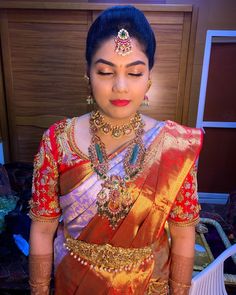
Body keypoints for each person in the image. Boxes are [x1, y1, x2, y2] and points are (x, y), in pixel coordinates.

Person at [28, 5, 203, 295]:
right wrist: (38, 290)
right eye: (106, 72)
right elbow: (43, 229)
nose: (120, 87)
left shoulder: (174, 146)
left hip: (148, 285)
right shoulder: (58, 141)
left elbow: (184, 235)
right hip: (74, 283)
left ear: (149, 75)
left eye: (134, 72)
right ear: (88, 73)